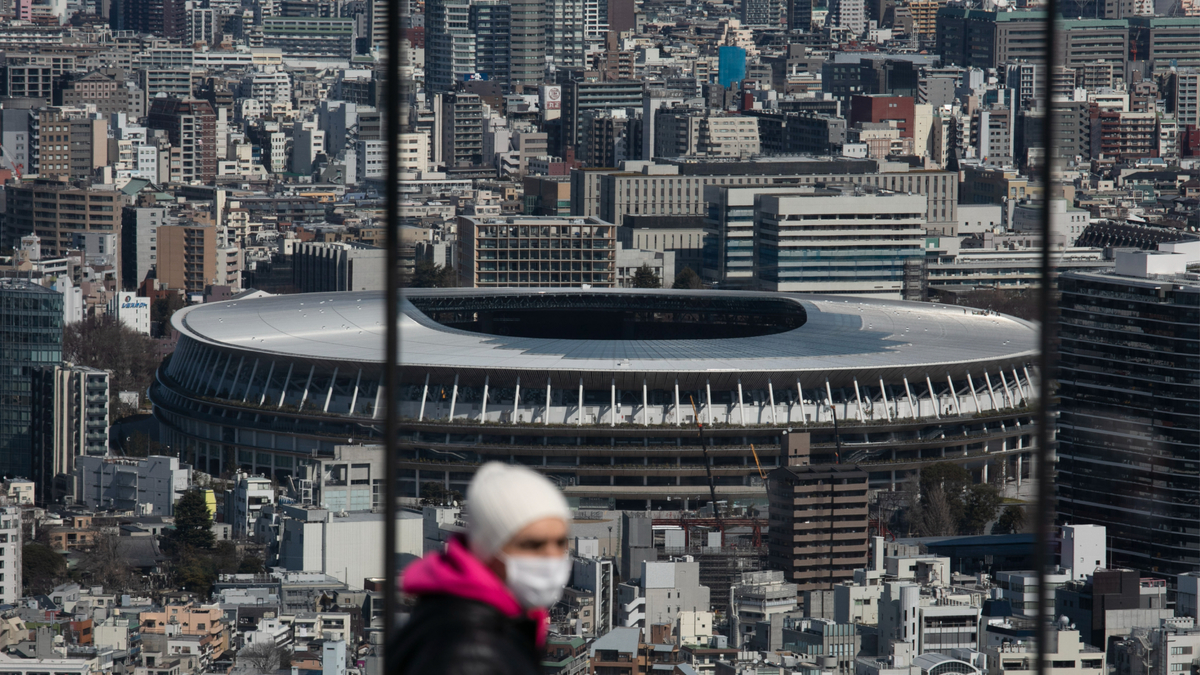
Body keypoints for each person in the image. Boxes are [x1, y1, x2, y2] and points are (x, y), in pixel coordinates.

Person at [395, 462, 572, 674]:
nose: (552, 557)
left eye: (560, 542)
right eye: (532, 545)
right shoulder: (469, 654)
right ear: (489, 549)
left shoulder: (476, 621)